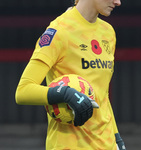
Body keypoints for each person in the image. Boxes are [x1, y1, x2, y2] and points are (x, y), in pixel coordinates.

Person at [15, 0, 126, 149]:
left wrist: (118, 140)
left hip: (107, 145)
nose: (118, 2)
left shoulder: (108, 32)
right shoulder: (59, 31)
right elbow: (23, 91)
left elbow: (102, 95)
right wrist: (65, 93)